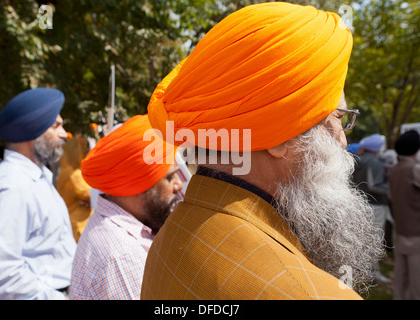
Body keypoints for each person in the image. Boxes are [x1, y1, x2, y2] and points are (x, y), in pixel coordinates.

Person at [141, 2, 385, 300]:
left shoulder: (168, 234)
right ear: (278, 136)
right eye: (338, 117)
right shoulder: (313, 294)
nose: (343, 142)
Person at [0, 88, 77, 300]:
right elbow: (0, 274)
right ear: (33, 130)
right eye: (56, 125)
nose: (64, 134)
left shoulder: (36, 177)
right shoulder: (12, 188)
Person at [69, 114, 183, 300]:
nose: (178, 185)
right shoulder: (122, 258)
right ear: (136, 185)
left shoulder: (117, 231)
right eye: (170, 177)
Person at [351, 133, 391, 283]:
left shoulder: (357, 159)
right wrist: (391, 187)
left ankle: (363, 270)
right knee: (375, 239)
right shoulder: (374, 162)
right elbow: (375, 186)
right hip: (376, 204)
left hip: (361, 203)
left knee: (364, 238)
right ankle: (373, 273)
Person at [389, 130, 420, 300]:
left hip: (400, 227)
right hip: (416, 232)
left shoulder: (394, 169)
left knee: (401, 274)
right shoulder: (416, 169)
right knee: (417, 280)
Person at [57, 136, 93, 242]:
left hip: (71, 224)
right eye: (84, 151)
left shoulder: (65, 170)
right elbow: (94, 197)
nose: (87, 153)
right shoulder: (75, 175)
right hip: (77, 228)